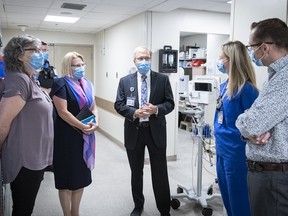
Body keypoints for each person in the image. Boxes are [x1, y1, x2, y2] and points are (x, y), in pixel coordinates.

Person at [235, 18, 288, 216]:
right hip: (269, 174)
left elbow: (251, 124)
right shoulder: (275, 75)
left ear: (264, 48)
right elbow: (256, 124)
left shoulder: (285, 78)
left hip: (275, 177)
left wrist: (246, 123)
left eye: (251, 47)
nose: (250, 53)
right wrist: (252, 126)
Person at [114, 46, 175, 216]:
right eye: (140, 58)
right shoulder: (125, 81)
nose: (144, 61)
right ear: (134, 61)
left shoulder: (162, 79)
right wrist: (134, 112)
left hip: (155, 131)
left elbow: (170, 103)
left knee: (160, 172)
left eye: (146, 58)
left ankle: (164, 209)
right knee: (136, 172)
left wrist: (156, 109)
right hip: (134, 131)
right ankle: (138, 206)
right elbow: (118, 105)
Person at [0, 35, 54, 215]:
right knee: (23, 210)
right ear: (18, 54)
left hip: (35, 158)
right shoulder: (19, 80)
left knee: (26, 207)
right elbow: (2, 123)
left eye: (41, 50)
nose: (41, 54)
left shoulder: (30, 79)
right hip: (25, 160)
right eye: (35, 50)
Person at [50, 51, 98, 216]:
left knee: (80, 179)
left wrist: (95, 123)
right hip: (66, 138)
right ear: (67, 66)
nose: (81, 68)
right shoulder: (61, 84)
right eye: (76, 65)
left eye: (82, 65)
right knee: (66, 180)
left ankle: (75, 212)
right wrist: (82, 126)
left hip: (84, 138)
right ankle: (66, 214)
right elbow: (63, 112)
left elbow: (93, 107)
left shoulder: (87, 84)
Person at [214, 41, 259, 216]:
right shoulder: (226, 86)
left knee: (239, 200)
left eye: (221, 57)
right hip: (221, 150)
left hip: (237, 154)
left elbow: (256, 126)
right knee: (226, 198)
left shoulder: (247, 90)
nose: (218, 60)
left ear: (232, 60)